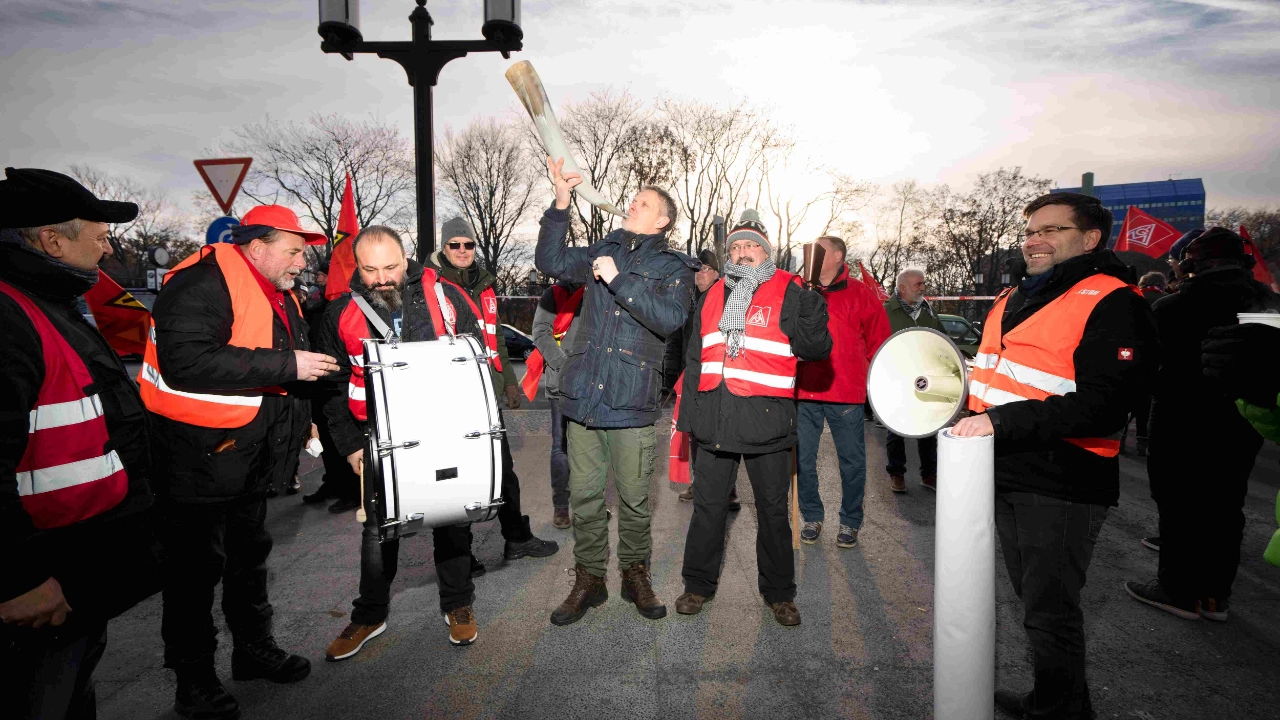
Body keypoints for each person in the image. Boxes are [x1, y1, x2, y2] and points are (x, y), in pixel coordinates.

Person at [951, 192, 1159, 720]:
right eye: (1030, 230)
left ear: (1089, 239)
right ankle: (1055, 700)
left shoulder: (1113, 300)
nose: (1034, 240)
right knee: (1034, 601)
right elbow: (991, 378)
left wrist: (999, 422)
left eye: (1050, 230)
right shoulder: (1014, 296)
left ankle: (1060, 711)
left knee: (1050, 612)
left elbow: (1106, 404)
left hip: (1063, 481)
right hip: (1003, 470)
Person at [317, 227, 554, 657]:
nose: (383, 278)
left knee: (451, 520)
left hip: (442, 430)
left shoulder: (445, 297)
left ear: (406, 257)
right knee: (377, 531)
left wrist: (476, 428)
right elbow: (331, 389)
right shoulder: (338, 314)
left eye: (390, 266)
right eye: (370, 270)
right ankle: (370, 614)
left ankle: (458, 604)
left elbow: (475, 364)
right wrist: (350, 446)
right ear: (358, 268)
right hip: (379, 438)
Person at [140, 204, 337, 720]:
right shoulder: (200, 284)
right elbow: (188, 362)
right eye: (293, 250)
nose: (302, 260)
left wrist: (303, 425)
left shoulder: (281, 292)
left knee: (249, 560)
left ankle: (253, 652)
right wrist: (287, 364)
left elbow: (290, 373)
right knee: (194, 573)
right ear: (257, 247)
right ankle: (194, 681)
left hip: (247, 456)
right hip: (196, 458)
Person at [0, 168, 160, 720]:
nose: (108, 244)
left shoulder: (49, 300)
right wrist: (16, 577)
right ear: (51, 239)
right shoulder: (8, 315)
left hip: (74, 565)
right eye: (98, 232)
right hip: (41, 585)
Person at [536, 157, 698, 625]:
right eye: (633, 199)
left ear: (662, 220)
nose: (632, 204)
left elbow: (669, 320)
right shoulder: (600, 249)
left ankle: (634, 574)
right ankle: (589, 578)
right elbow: (548, 260)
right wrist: (561, 203)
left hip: (631, 400)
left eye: (644, 203)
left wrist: (619, 279)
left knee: (633, 498)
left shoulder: (674, 268)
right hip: (584, 397)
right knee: (585, 496)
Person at [675, 211, 831, 626]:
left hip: (767, 424)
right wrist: (690, 417)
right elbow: (695, 358)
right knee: (708, 510)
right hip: (714, 421)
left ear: (766, 252)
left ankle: (780, 594)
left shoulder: (791, 288)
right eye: (736, 248)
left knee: (773, 514)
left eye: (751, 246)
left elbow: (816, 348)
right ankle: (696, 585)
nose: (742, 254)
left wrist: (815, 308)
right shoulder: (712, 294)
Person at [1126, 228, 1280, 622]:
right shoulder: (1269, 305)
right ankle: (1214, 597)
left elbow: (1147, 370)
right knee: (1227, 504)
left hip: (1179, 419)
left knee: (1178, 504)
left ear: (1192, 264)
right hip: (1242, 423)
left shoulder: (1172, 308)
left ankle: (1177, 590)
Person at [427, 216, 560, 560]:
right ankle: (462, 555)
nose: (462, 250)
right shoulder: (430, 285)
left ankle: (516, 538)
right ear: (443, 248)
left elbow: (496, 338)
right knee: (457, 479)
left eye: (468, 244)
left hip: (486, 396)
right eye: (454, 244)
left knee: (502, 471)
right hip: (450, 400)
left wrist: (510, 384)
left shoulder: (484, 284)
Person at [794, 235, 890, 548]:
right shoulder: (798, 288)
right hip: (804, 393)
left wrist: (881, 389)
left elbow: (880, 343)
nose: (812, 252)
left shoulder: (861, 294)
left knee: (851, 463)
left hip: (845, 394)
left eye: (820, 249)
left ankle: (850, 522)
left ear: (838, 255)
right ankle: (811, 516)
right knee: (802, 461)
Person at [882, 267, 943, 492]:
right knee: (895, 429)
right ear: (902, 288)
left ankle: (929, 475)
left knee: (927, 429)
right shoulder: (885, 312)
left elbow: (942, 340)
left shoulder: (929, 312)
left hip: (925, 380)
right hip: (896, 380)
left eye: (923, 283)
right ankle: (896, 474)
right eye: (918, 284)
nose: (923, 287)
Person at [530, 279, 586, 529]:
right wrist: (565, 366)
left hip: (591, 382)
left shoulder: (599, 290)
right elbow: (540, 332)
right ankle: (561, 507)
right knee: (561, 446)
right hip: (561, 382)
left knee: (592, 448)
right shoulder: (552, 295)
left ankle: (589, 505)